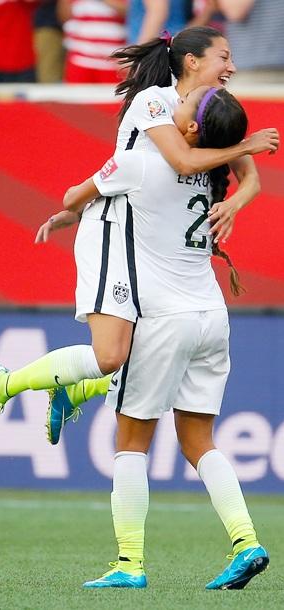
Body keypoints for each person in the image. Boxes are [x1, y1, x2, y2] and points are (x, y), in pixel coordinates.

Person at [0, 26, 278, 446]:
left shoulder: (213, 111)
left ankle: (73, 388)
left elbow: (252, 182)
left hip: (154, 246)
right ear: (193, 61)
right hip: (115, 231)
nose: (232, 66)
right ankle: (4, 384)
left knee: (138, 355)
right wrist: (245, 147)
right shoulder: (156, 101)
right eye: (224, 56)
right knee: (112, 354)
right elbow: (182, 161)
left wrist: (232, 205)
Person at [51, 85, 269, 590]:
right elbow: (229, 167)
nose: (177, 104)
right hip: (211, 318)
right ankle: (246, 542)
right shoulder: (215, 179)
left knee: (131, 443)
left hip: (164, 319)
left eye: (187, 106)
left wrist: (73, 210)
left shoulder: (140, 163)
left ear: (192, 130)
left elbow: (70, 199)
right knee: (200, 443)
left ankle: (129, 564)